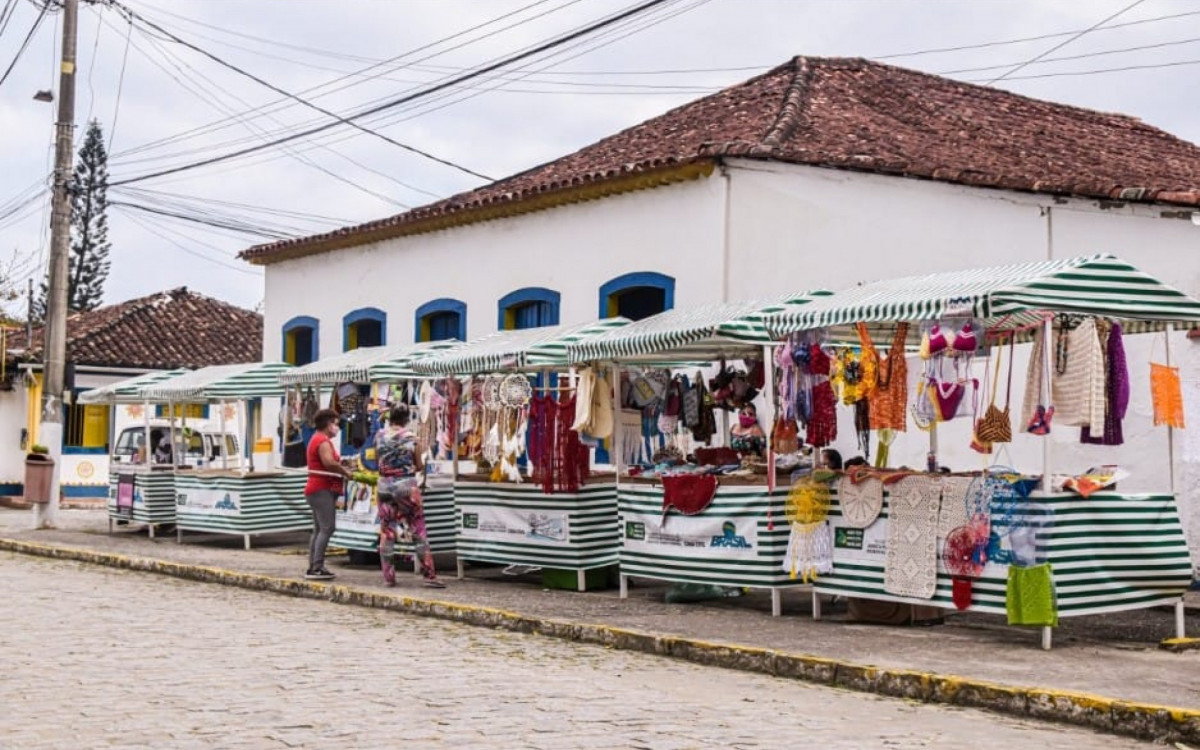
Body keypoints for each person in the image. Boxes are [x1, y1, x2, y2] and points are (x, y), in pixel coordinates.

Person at [375, 404, 444, 588]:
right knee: (418, 530)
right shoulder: (412, 438)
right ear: (407, 419)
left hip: (384, 486)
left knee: (387, 532)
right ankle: (430, 576)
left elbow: (378, 462)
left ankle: (389, 578)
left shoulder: (379, 436)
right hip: (406, 485)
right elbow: (419, 466)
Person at [304, 408, 352, 581]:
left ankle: (313, 566)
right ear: (327, 424)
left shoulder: (317, 439)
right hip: (321, 488)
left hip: (316, 489)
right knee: (327, 528)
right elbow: (329, 463)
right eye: (335, 424)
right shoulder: (322, 440)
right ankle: (317, 566)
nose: (337, 428)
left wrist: (343, 463)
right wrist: (346, 472)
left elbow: (331, 461)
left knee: (318, 529)